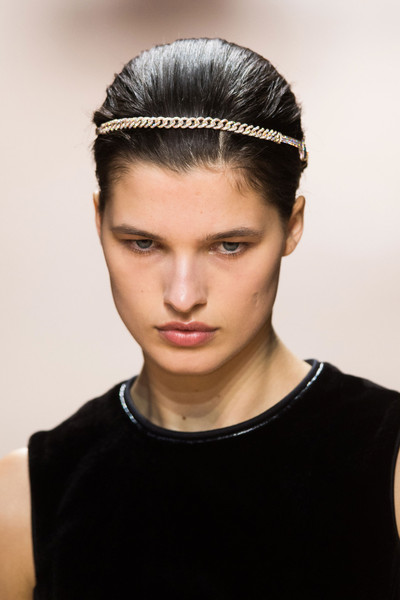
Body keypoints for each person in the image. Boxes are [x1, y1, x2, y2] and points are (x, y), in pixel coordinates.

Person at [0, 37, 399, 600]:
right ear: (99, 221)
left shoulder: (389, 467)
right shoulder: (23, 502)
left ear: (292, 226)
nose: (183, 296)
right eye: (142, 243)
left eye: (229, 246)